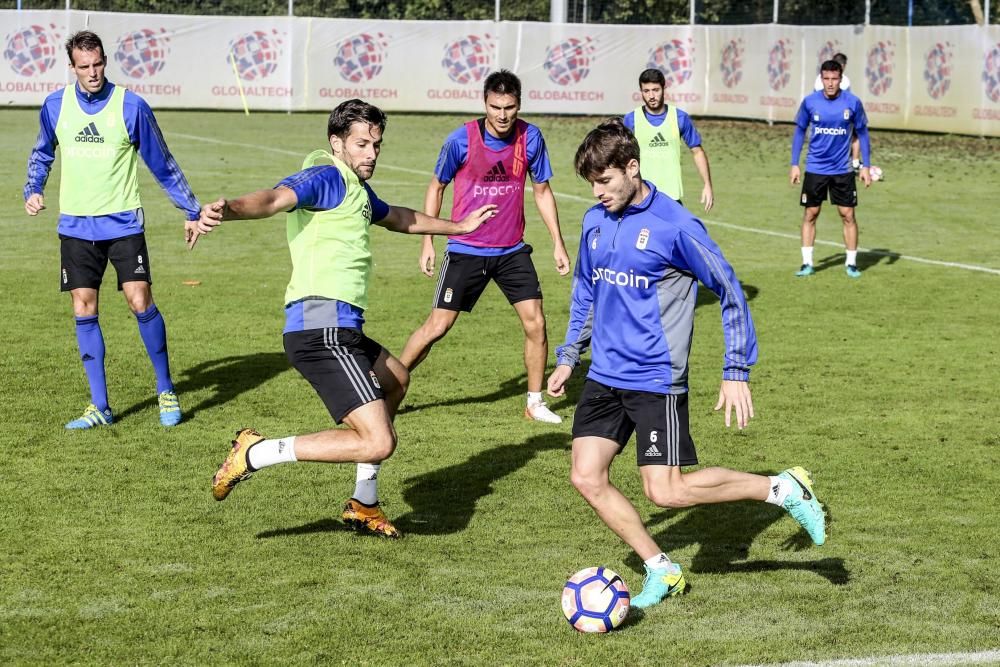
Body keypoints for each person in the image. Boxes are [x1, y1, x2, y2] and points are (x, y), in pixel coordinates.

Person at [546, 119, 826, 610]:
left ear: (632, 169)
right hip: (605, 375)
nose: (598, 192)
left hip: (656, 378)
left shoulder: (675, 226)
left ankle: (781, 488)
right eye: (591, 183)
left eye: (605, 181)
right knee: (586, 476)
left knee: (667, 493)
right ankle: (663, 569)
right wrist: (570, 357)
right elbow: (586, 291)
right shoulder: (594, 220)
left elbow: (729, 288)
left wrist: (735, 369)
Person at [194, 99, 495, 539]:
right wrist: (231, 208)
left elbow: (398, 217)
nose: (371, 153)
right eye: (361, 144)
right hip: (320, 327)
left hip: (341, 326)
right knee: (379, 441)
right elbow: (275, 198)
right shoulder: (326, 175)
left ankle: (363, 504)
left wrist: (458, 227)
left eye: (376, 144)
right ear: (337, 143)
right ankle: (255, 452)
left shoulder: (355, 189)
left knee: (395, 379)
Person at [23, 30, 200, 429]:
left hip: (122, 224)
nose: (92, 73)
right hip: (74, 226)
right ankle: (100, 406)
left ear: (105, 60)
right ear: (72, 67)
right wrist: (33, 187)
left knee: (140, 301)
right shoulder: (55, 105)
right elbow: (42, 151)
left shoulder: (131, 106)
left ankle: (165, 388)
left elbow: (162, 162)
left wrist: (190, 209)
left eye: (98, 64)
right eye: (84, 66)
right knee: (83, 308)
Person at [398, 70, 571, 424]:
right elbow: (436, 187)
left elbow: (542, 191)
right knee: (437, 327)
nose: (503, 115)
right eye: (496, 107)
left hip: (511, 251)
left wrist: (557, 243)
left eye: (510, 107)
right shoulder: (461, 140)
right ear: (485, 103)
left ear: (518, 105)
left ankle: (534, 403)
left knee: (536, 323)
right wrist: (428, 242)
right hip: (466, 249)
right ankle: (388, 387)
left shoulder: (531, 138)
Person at [791, 59, 872, 279]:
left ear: (841, 78)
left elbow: (863, 133)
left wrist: (866, 165)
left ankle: (852, 264)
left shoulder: (852, 102)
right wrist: (794, 164)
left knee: (848, 214)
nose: (830, 83)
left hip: (842, 169)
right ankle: (807, 263)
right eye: (826, 78)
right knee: (811, 213)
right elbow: (799, 132)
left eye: (834, 79)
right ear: (821, 78)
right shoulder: (810, 102)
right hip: (815, 168)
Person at [623, 68, 714, 212]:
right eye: (646, 91)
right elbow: (620, 156)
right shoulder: (631, 119)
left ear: (664, 89)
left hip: (672, 198)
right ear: (641, 92)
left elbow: (697, 151)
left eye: (656, 90)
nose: (651, 96)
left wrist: (707, 185)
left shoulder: (680, 117)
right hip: (642, 197)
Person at [812, 53, 861, 172]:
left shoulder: (820, 78)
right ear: (843, 65)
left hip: (819, 114)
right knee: (855, 135)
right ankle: (854, 162)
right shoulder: (844, 80)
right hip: (835, 114)